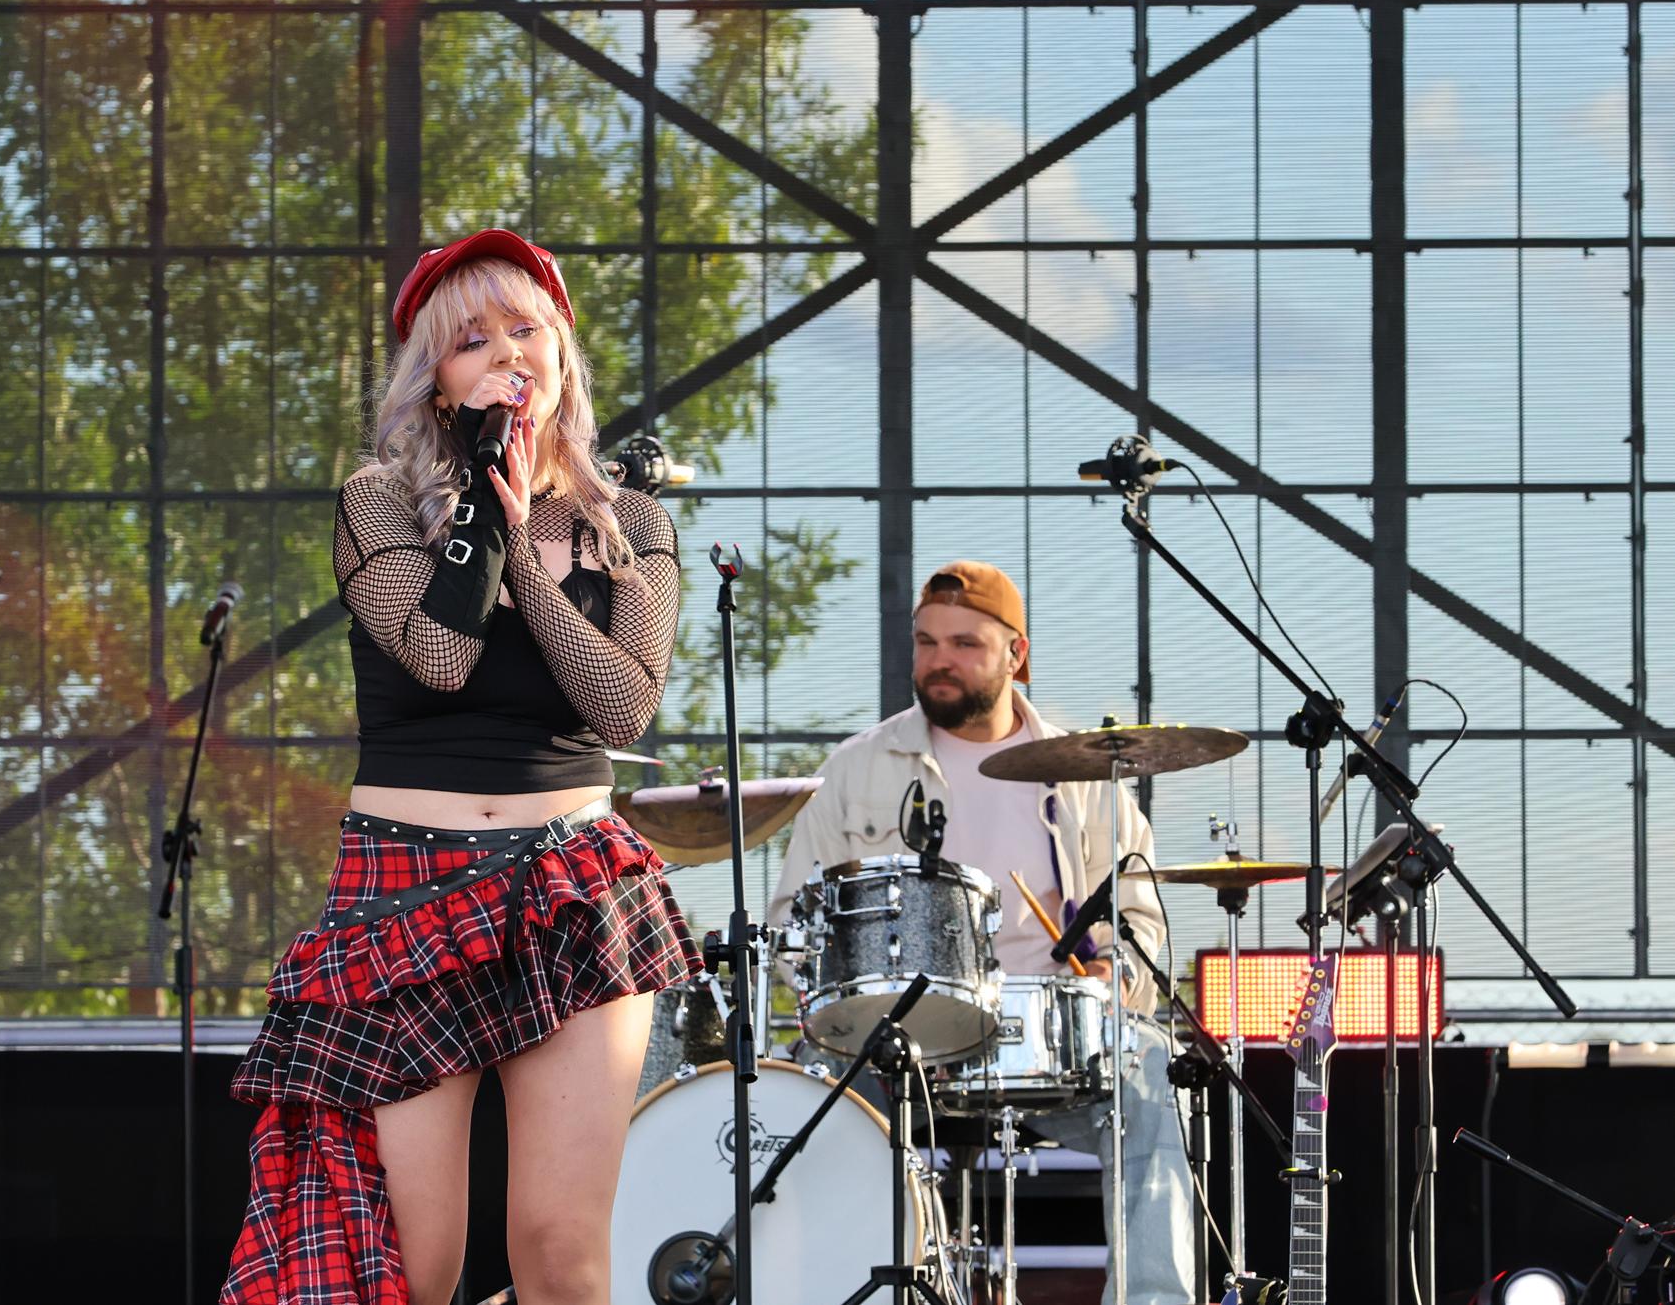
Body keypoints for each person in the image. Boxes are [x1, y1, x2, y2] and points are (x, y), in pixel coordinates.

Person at [221, 229, 700, 1305]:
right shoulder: (379, 500)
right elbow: (440, 655)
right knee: (415, 1262)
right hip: (406, 883)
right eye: (472, 340)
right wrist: (487, 500)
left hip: (573, 880)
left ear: (562, 352)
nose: (507, 354)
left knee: (560, 1249)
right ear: (434, 378)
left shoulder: (629, 524)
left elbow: (623, 702)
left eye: (526, 329)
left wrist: (526, 546)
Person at [768, 561, 1195, 1305]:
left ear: (1015, 655)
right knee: (801, 1094)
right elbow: (789, 923)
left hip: (1049, 1040)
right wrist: (832, 1001)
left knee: (1155, 1074)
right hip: (895, 1044)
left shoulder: (1085, 775)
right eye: (927, 642)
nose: (940, 661)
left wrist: (1113, 979)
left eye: (965, 644)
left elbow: (1137, 919)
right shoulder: (857, 768)